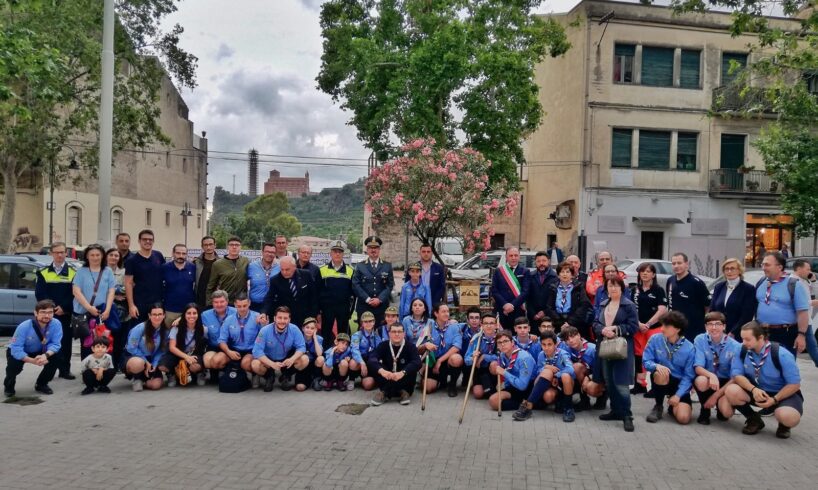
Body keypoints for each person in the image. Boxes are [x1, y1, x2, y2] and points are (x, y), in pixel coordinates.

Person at [724, 321, 803, 439]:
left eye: (747, 339)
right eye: (742, 339)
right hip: (757, 390)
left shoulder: (782, 354)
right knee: (731, 390)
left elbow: (794, 384)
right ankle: (754, 420)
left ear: (761, 337)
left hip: (782, 393)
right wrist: (754, 389)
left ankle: (784, 425)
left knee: (789, 417)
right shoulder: (741, 350)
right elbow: (737, 375)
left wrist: (775, 399)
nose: (744, 343)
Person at [593, 277, 638, 432]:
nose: (613, 289)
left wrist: (615, 329)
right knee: (609, 381)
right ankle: (615, 410)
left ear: (622, 288)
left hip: (622, 348)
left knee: (621, 382)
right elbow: (595, 323)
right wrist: (602, 329)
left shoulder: (629, 306)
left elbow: (633, 327)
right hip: (605, 347)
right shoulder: (603, 304)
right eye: (610, 286)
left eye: (616, 286)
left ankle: (627, 415)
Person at [642, 311, 695, 425]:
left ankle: (673, 406)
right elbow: (646, 361)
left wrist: (678, 395)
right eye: (662, 325)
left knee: (683, 418)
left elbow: (689, 376)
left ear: (677, 329)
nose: (662, 329)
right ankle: (658, 406)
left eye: (666, 326)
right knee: (661, 373)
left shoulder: (689, 348)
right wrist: (656, 365)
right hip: (661, 378)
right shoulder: (655, 339)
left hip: (679, 384)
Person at [4, 300, 63, 397]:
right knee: (13, 366)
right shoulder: (24, 326)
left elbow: (55, 344)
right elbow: (16, 348)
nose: (47, 316)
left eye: (50, 312)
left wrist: (45, 355)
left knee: (58, 357)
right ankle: (9, 385)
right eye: (43, 312)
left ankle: (41, 384)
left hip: (41, 351)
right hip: (20, 351)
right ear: (36, 313)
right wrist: (32, 361)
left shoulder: (56, 324)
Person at [511, 331, 574, 422]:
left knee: (565, 376)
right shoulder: (541, 355)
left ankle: (568, 408)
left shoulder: (562, 353)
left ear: (555, 344)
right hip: (551, 385)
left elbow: (570, 369)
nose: (546, 348)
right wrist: (546, 367)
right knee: (548, 393)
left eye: (549, 344)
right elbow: (538, 370)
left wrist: (556, 375)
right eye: (544, 345)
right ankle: (557, 402)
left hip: (565, 384)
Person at [34, 241, 75, 379]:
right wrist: (50, 309)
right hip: (47, 315)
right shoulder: (43, 272)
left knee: (65, 343)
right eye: (56, 252)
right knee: (48, 342)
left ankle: (65, 370)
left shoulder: (74, 272)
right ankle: (49, 371)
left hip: (65, 314)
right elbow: (40, 293)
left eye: (62, 252)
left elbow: (75, 294)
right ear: (51, 254)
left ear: (66, 253)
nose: (60, 255)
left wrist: (64, 307)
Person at [693, 311, 742, 424]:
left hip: (726, 382)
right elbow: (698, 367)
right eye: (710, 324)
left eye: (718, 324)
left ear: (724, 326)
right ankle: (704, 410)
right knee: (701, 380)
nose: (714, 328)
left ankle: (720, 403)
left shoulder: (735, 346)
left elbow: (735, 377)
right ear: (706, 326)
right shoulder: (700, 339)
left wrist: (715, 396)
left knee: (726, 414)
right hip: (708, 378)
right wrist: (711, 375)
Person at [755, 251, 809, 356]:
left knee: (784, 365)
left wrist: (801, 335)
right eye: (763, 264)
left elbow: (802, 313)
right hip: (762, 332)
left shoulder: (794, 285)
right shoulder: (761, 282)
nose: (763, 268)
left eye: (767, 265)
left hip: (785, 333)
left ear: (779, 267)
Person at [72, 244, 117, 360]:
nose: (95, 257)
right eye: (92, 255)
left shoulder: (107, 271)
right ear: (87, 256)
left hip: (102, 313)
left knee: (103, 341)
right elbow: (76, 291)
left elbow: (111, 291)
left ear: (102, 256)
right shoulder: (81, 271)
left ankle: (104, 368)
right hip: (84, 313)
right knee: (87, 342)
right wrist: (89, 307)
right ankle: (87, 369)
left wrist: (108, 309)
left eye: (98, 255)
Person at [251, 306, 309, 392]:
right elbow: (256, 351)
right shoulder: (264, 330)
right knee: (255, 364)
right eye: (279, 318)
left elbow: (302, 347)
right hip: (268, 360)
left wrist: (292, 359)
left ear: (289, 319)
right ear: (274, 318)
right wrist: (271, 364)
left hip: (286, 359)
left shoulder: (294, 329)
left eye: (285, 318)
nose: (282, 321)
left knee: (304, 359)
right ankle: (269, 377)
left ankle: (285, 376)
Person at [214, 294, 266, 388]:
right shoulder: (229, 319)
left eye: (244, 305)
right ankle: (231, 373)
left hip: (251, 349)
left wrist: (264, 325)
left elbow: (264, 336)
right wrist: (228, 352)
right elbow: (221, 340)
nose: (242, 309)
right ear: (234, 305)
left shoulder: (257, 317)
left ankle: (255, 374)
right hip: (234, 349)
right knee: (217, 360)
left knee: (245, 363)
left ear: (249, 303)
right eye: (239, 306)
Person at [631, 262, 667, 394]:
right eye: (642, 271)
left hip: (654, 328)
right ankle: (640, 385)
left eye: (648, 271)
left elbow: (662, 309)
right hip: (638, 328)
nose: (645, 274)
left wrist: (648, 324)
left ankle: (656, 388)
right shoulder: (635, 290)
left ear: (653, 274)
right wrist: (639, 324)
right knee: (639, 357)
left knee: (655, 356)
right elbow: (631, 309)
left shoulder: (658, 290)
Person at [370, 322, 422, 406]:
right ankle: (395, 392)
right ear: (389, 333)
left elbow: (417, 362)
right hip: (388, 377)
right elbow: (372, 359)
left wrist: (403, 373)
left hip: (404, 380)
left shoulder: (411, 346)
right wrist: (382, 371)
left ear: (404, 334)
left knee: (412, 366)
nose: (397, 334)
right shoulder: (383, 345)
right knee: (376, 366)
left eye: (399, 332)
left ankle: (390, 392)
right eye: (394, 332)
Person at [418, 304, 463, 397]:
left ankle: (452, 384)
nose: (447, 314)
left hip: (447, 360)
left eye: (448, 311)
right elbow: (418, 348)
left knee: (457, 358)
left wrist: (440, 360)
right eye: (443, 311)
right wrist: (425, 345)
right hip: (433, 360)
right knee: (427, 388)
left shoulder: (454, 327)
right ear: (436, 313)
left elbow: (457, 347)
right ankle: (440, 380)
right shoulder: (428, 327)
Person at [487, 330, 535, 414]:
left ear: (512, 342)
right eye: (499, 342)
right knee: (493, 401)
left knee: (494, 401)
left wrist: (504, 373)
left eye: (505, 341)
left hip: (528, 388)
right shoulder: (502, 355)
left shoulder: (524, 358)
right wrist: (503, 384)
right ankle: (522, 403)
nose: (502, 344)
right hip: (514, 385)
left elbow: (523, 385)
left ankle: (528, 403)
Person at [317, 240, 355, 350]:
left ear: (343, 254)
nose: (337, 254)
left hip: (343, 309)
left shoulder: (350, 271)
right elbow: (318, 292)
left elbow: (353, 295)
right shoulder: (322, 270)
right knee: (325, 334)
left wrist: (350, 311)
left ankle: (343, 356)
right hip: (326, 309)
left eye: (340, 252)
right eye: (335, 251)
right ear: (330, 253)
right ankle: (325, 356)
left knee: (343, 335)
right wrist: (319, 310)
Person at [666, 252, 711, 340]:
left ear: (687, 264)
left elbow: (708, 306)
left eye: (679, 263)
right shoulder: (670, 281)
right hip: (675, 329)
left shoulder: (696, 283)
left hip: (693, 331)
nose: (676, 266)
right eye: (674, 263)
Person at [161, 303, 208, 387]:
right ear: (184, 315)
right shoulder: (176, 327)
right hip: (178, 353)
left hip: (194, 354)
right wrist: (186, 357)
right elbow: (172, 347)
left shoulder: (203, 329)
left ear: (198, 315)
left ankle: (198, 373)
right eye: (188, 313)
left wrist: (189, 358)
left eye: (194, 313)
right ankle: (172, 374)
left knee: (195, 366)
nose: (192, 316)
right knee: (162, 367)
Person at [352, 236, 395, 327]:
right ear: (367, 250)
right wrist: (368, 299)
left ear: (379, 249)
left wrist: (379, 299)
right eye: (370, 248)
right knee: (364, 333)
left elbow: (390, 285)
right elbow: (356, 285)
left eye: (375, 248)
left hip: (381, 306)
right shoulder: (360, 266)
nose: (373, 250)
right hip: (364, 305)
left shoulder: (387, 266)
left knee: (381, 332)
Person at [263, 256, 318, 328]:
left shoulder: (306, 275)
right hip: (286, 318)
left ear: (294, 267)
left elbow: (313, 296)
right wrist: (264, 312)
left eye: (287, 269)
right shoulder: (275, 280)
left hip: (305, 317)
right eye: (282, 269)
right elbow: (269, 298)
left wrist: (313, 317)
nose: (284, 272)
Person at [123, 303, 167, 391]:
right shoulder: (139, 328)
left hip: (151, 359)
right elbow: (131, 348)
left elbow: (161, 350)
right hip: (134, 357)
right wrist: (145, 361)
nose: (157, 317)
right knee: (138, 363)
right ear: (149, 315)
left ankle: (144, 381)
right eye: (154, 314)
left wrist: (154, 364)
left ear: (164, 315)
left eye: (159, 314)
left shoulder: (165, 331)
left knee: (156, 385)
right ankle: (137, 378)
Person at [124, 229, 165, 323]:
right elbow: (128, 283)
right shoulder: (132, 260)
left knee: (156, 330)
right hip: (140, 302)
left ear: (153, 241)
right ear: (139, 241)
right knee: (139, 330)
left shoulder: (158, 255)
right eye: (144, 239)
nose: (148, 241)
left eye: (150, 239)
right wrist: (131, 305)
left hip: (157, 301)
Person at [710, 258, 756, 338]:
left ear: (739, 270)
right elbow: (712, 310)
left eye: (732, 269)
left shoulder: (748, 289)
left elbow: (747, 315)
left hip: (737, 333)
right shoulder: (719, 287)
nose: (729, 271)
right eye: (726, 269)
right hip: (718, 332)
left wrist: (733, 332)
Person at [559, 326, 600, 412]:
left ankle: (602, 397)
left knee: (591, 388)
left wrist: (589, 377)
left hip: (596, 377)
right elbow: (553, 340)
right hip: (579, 376)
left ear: (579, 335)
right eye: (567, 339)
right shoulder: (567, 349)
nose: (570, 340)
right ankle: (584, 400)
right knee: (575, 367)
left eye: (573, 336)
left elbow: (601, 368)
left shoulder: (592, 349)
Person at [545, 261, 591, 337]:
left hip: (575, 323)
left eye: (567, 272)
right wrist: (560, 322)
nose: (565, 274)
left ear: (572, 275)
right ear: (558, 275)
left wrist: (570, 322)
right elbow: (549, 307)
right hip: (557, 323)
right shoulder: (552, 288)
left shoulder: (578, 287)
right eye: (562, 272)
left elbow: (584, 305)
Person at [199, 290, 236, 379]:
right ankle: (216, 371)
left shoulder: (236, 312)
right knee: (207, 360)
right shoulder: (205, 315)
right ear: (212, 303)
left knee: (217, 360)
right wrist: (180, 320)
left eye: (222, 302)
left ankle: (228, 370)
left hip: (231, 347)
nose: (219, 305)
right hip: (213, 346)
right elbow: (191, 318)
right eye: (216, 302)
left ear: (227, 302)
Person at [463, 313, 500, 399]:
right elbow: (466, 359)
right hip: (480, 370)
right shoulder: (476, 339)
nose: (489, 326)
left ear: (496, 325)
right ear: (482, 325)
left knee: (494, 363)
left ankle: (495, 386)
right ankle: (486, 388)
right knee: (478, 394)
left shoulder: (500, 339)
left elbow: (503, 357)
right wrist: (473, 358)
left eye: (491, 323)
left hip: (494, 370)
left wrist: (484, 356)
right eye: (486, 323)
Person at [491, 247, 529, 330]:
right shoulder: (498, 271)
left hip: (518, 310)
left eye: (516, 255)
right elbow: (494, 290)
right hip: (501, 309)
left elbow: (525, 292)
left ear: (519, 257)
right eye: (511, 255)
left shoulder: (525, 271)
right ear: (506, 257)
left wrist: (512, 305)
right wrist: (504, 304)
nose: (513, 258)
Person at [206, 236, 250, 306]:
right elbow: (211, 286)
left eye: (237, 245)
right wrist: (209, 304)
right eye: (231, 245)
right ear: (227, 247)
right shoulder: (218, 264)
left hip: (241, 302)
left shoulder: (246, 261)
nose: (234, 247)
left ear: (240, 247)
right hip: (224, 302)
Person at [161, 244, 196, 327]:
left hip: (188, 311)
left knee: (185, 337)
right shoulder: (165, 268)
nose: (181, 256)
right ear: (173, 253)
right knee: (168, 336)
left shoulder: (193, 267)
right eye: (178, 253)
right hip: (169, 310)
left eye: (183, 254)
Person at [792, 258, 818, 365]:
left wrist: (814, 281)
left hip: (806, 319)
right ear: (799, 269)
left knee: (811, 346)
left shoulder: (804, 281)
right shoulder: (793, 282)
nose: (810, 272)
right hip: (800, 320)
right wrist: (812, 303)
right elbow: (794, 301)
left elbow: (816, 292)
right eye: (807, 269)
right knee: (812, 347)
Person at [350, 311, 381, 391]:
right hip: (359, 362)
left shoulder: (377, 337)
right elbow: (355, 350)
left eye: (370, 321)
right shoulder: (357, 335)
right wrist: (362, 362)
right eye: (365, 322)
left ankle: (370, 379)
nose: (368, 323)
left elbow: (379, 352)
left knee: (368, 385)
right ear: (362, 323)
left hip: (370, 362)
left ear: (374, 322)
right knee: (353, 363)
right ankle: (351, 379)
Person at [526, 252, 558, 325]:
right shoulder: (530, 276)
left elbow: (555, 298)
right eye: (538, 261)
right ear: (535, 262)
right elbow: (527, 297)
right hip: (533, 317)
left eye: (544, 261)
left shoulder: (555, 277)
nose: (541, 263)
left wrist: (545, 312)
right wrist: (533, 313)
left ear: (549, 261)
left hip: (549, 317)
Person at [247, 242, 279, 313]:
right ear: (262, 252)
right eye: (267, 251)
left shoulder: (279, 268)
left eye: (272, 252)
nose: (270, 254)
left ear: (275, 254)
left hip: (273, 305)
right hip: (255, 305)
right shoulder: (251, 266)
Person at [194, 236, 219, 309]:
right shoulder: (196, 262)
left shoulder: (221, 263)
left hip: (215, 301)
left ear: (215, 245)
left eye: (211, 244)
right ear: (202, 246)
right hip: (199, 300)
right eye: (206, 245)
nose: (208, 247)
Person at [300, 317, 325, 391]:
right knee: (300, 387)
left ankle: (316, 379)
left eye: (312, 328)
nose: (309, 330)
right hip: (304, 365)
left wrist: (314, 338)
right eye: (307, 327)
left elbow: (319, 354)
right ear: (303, 328)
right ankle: (307, 380)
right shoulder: (299, 338)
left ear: (315, 330)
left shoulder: (319, 338)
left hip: (314, 365)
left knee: (321, 358)